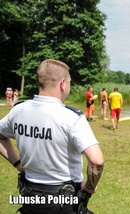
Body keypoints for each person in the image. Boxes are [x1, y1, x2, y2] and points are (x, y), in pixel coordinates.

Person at [0, 59, 104, 214]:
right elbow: (97, 161)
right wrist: (88, 188)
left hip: (28, 195)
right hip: (64, 201)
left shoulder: (19, 111)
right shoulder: (71, 117)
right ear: (63, 83)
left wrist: (18, 165)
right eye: (69, 82)